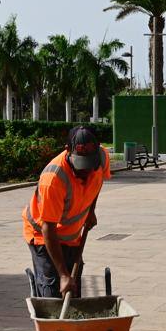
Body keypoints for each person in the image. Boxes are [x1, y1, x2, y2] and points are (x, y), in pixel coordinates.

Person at [23, 126, 112, 299]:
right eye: (81, 165)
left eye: (89, 164)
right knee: (53, 292)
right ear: (68, 151)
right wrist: (63, 275)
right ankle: (53, 323)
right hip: (43, 236)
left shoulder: (101, 157)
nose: (85, 171)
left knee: (73, 289)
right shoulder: (54, 178)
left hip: (72, 236)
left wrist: (91, 211)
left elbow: (97, 182)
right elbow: (48, 228)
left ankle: (72, 325)